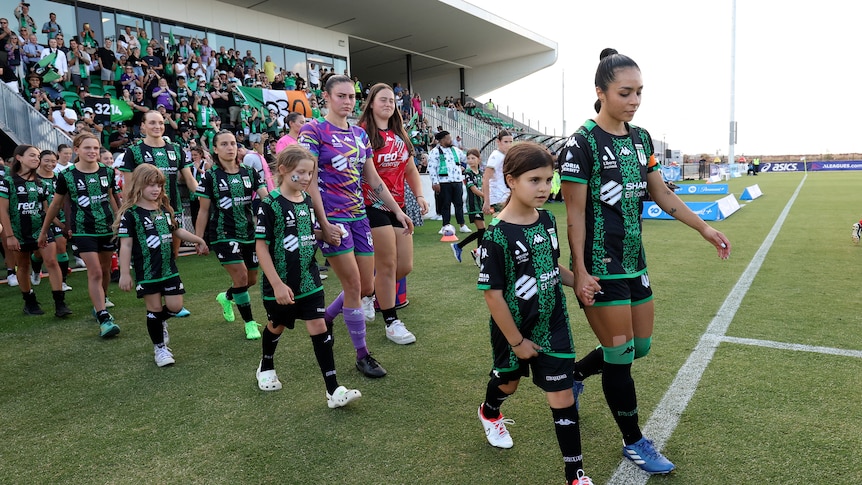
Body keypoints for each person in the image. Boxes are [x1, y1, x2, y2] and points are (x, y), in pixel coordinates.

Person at [558, 48, 731, 476]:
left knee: (641, 347)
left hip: (636, 262)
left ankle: (576, 374)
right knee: (620, 356)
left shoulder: (641, 139)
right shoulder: (580, 144)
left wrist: (704, 228)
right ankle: (634, 441)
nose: (634, 100)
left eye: (639, 92)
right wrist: (580, 271)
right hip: (601, 268)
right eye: (625, 92)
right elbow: (575, 216)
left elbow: (663, 194)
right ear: (600, 93)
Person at [475, 142, 593, 485]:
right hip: (512, 328)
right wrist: (516, 341)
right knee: (508, 385)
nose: (544, 188)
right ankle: (489, 411)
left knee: (562, 396)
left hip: (553, 322)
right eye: (535, 180)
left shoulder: (546, 219)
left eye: (548, 180)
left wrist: (579, 282)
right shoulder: (496, 236)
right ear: (510, 180)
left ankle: (576, 475)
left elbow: (552, 267)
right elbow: (494, 296)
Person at [300, 74, 413, 378]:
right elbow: (307, 179)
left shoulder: (360, 136)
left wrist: (397, 211)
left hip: (359, 215)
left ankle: (328, 318)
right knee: (352, 285)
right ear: (326, 97)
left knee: (365, 287)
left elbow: (373, 180)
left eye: (351, 97)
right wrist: (322, 224)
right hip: (332, 219)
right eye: (341, 96)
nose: (347, 102)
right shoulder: (313, 131)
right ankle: (363, 355)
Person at [253, 144, 362, 407]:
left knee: (318, 325)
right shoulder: (269, 204)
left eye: (310, 173)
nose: (306, 178)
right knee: (276, 325)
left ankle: (333, 390)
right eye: (300, 172)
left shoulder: (308, 201)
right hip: (280, 284)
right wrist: (277, 284)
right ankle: (266, 365)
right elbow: (261, 246)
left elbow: (305, 233)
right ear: (282, 170)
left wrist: (326, 234)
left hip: (309, 279)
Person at [116, 164, 209, 367]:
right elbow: (126, 245)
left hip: (169, 269)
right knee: (154, 308)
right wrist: (124, 273)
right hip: (147, 272)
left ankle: (159, 321)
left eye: (159, 185)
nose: (156, 189)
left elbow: (177, 231)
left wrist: (198, 240)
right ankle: (160, 348)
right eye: (150, 185)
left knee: (175, 306)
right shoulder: (131, 214)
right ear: (139, 185)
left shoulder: (164, 210)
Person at [357, 83, 429, 345]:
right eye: (382, 100)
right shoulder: (362, 133)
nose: (388, 104)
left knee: (404, 266)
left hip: (399, 205)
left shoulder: (400, 135)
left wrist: (419, 195)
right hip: (371, 204)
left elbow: (410, 170)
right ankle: (391, 321)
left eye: (391, 100)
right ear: (371, 104)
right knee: (387, 264)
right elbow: (368, 175)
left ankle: (367, 292)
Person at [39, 133, 122, 338]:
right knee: (94, 271)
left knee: (104, 271)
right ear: (77, 150)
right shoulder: (66, 175)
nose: (92, 151)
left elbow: (113, 198)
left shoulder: (107, 172)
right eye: (87, 148)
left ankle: (99, 305)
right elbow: (56, 204)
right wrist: (44, 230)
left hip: (106, 228)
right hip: (82, 230)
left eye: (95, 148)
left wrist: (120, 220)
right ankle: (103, 317)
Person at [194, 130, 268, 340]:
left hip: (249, 233)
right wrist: (199, 240)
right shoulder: (210, 176)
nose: (230, 147)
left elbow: (266, 197)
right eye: (224, 144)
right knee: (242, 276)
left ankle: (226, 297)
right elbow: (203, 211)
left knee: (250, 280)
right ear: (215, 149)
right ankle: (250, 323)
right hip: (223, 233)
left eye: (233, 143)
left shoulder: (249, 172)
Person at [0, 146, 72, 317]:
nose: (36, 158)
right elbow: (2, 210)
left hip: (41, 230)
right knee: (23, 265)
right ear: (19, 158)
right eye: (32, 155)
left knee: (52, 262)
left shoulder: (40, 183)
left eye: (38, 156)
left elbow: (47, 211)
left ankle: (60, 304)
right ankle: (29, 301)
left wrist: (60, 228)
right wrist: (9, 236)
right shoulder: (8, 182)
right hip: (18, 232)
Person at [35, 149, 72, 291]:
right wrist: (59, 223)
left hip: (60, 217)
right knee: (39, 252)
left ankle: (62, 282)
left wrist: (65, 222)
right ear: (40, 161)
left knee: (61, 247)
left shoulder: (59, 177)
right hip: (40, 219)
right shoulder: (34, 180)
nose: (51, 164)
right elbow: (45, 209)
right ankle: (36, 270)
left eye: (53, 161)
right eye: (47, 160)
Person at [427, 130, 470, 234]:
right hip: (443, 181)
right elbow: (432, 168)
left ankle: (462, 224)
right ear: (441, 140)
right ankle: (445, 225)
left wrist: (472, 154)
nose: (450, 140)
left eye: (450, 138)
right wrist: (435, 182)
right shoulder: (434, 152)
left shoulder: (455, 150)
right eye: (448, 138)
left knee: (459, 203)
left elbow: (465, 159)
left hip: (457, 180)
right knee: (445, 204)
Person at [451, 148, 485, 266]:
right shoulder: (468, 173)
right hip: (472, 205)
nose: (470, 161)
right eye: (468, 158)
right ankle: (476, 254)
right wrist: (485, 196)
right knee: (482, 230)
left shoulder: (480, 174)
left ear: (479, 160)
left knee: (482, 231)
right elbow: (473, 189)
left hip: (479, 205)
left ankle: (475, 252)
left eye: (473, 158)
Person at [482, 130, 514, 216]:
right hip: (498, 197)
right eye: (506, 142)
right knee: (502, 223)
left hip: (506, 195)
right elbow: (486, 179)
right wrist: (487, 201)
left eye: (510, 142)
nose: (509, 145)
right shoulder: (495, 156)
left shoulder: (507, 156)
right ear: (498, 142)